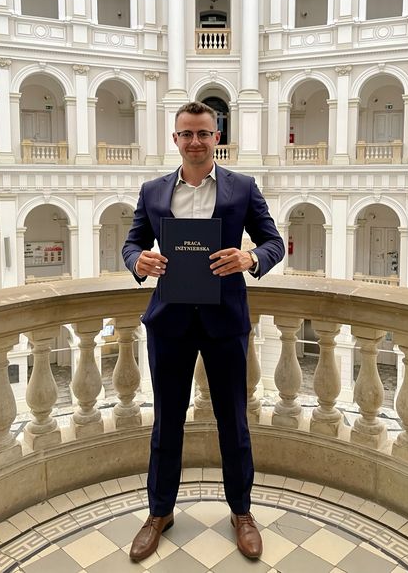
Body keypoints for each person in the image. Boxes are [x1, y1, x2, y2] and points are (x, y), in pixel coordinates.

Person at [122, 101, 284, 563]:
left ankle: (242, 512)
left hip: (224, 320)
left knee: (234, 421)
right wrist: (138, 261)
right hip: (170, 321)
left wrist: (250, 258)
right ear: (175, 139)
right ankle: (159, 513)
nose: (195, 142)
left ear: (217, 137)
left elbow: (273, 242)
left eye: (203, 133)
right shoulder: (153, 191)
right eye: (186, 134)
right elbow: (132, 243)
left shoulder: (242, 188)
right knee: (166, 422)